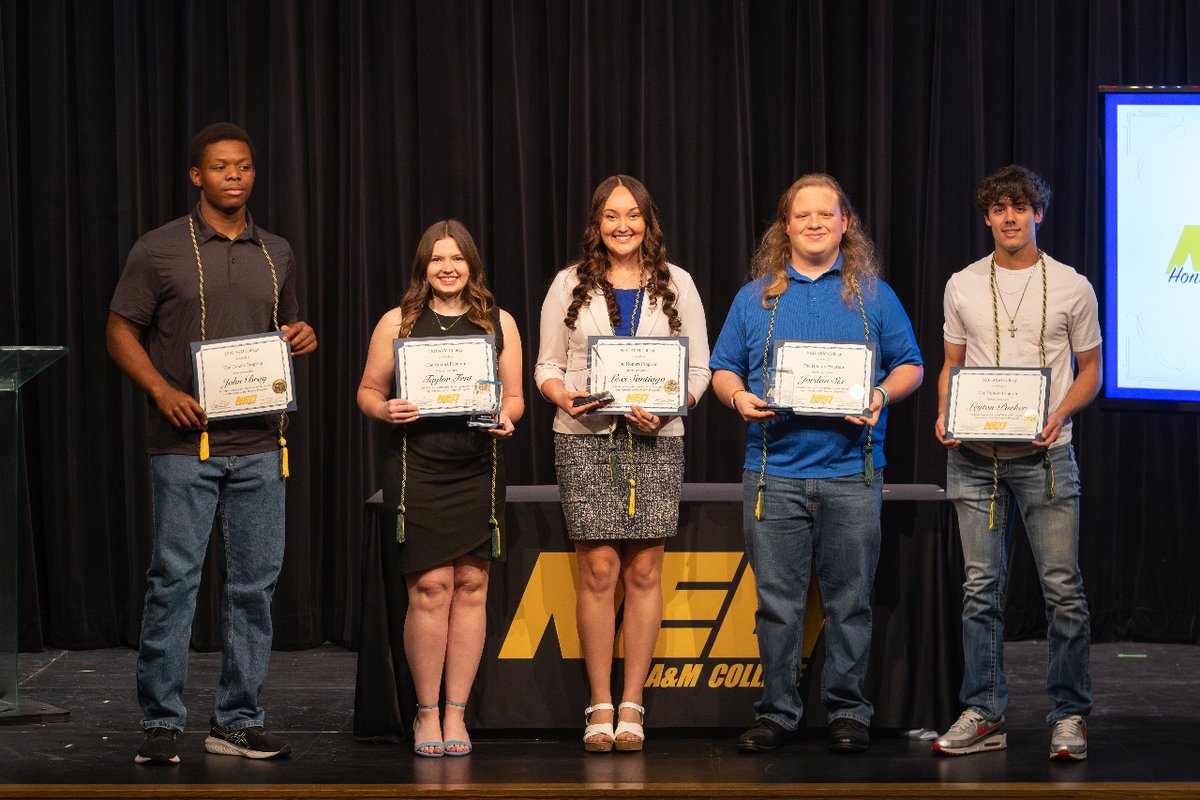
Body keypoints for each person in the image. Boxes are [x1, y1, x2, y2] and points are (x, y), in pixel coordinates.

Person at [107, 122, 318, 765]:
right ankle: (162, 722)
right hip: (185, 447)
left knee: (254, 587)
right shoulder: (160, 248)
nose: (235, 176)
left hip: (260, 446)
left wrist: (300, 335)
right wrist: (160, 391)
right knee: (174, 582)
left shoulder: (275, 250)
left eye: (245, 167)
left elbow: (277, 331)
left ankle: (236, 719)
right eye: (221, 167)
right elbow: (119, 331)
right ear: (197, 176)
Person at [709, 173, 923, 755]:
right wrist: (736, 398)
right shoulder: (755, 298)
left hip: (853, 473)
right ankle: (776, 712)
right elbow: (721, 366)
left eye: (825, 215)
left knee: (849, 601)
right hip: (773, 473)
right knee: (776, 605)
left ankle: (848, 712)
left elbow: (911, 365)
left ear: (844, 223)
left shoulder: (873, 294)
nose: (814, 224)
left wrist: (879, 395)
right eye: (802, 216)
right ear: (786, 226)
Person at [535, 175, 710, 752]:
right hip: (584, 438)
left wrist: (669, 408)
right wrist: (563, 396)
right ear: (596, 224)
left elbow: (700, 372)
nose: (622, 226)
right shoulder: (568, 285)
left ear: (648, 221)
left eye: (632, 215)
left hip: (657, 441)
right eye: (611, 216)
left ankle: (632, 703)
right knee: (598, 572)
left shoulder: (677, 283)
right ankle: (600, 701)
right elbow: (545, 367)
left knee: (643, 572)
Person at [933, 165, 1100, 762]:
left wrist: (1059, 414)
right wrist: (945, 413)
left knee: (1062, 591)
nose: (1010, 217)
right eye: (999, 208)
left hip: (1046, 456)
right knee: (980, 590)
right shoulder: (962, 284)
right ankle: (985, 711)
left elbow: (1090, 371)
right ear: (986, 216)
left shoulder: (1074, 286)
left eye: (1020, 206)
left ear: (1037, 214)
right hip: (976, 461)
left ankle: (1070, 714)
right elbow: (951, 362)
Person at [357, 219, 523, 757]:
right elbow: (367, 391)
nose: (448, 268)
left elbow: (516, 397)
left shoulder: (499, 322)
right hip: (418, 469)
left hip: (479, 469)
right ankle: (426, 713)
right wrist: (385, 408)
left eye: (457, 258)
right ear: (423, 269)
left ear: (471, 265)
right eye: (437, 259)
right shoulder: (398, 322)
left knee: (472, 587)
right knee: (430, 590)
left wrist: (506, 415)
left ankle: (457, 713)